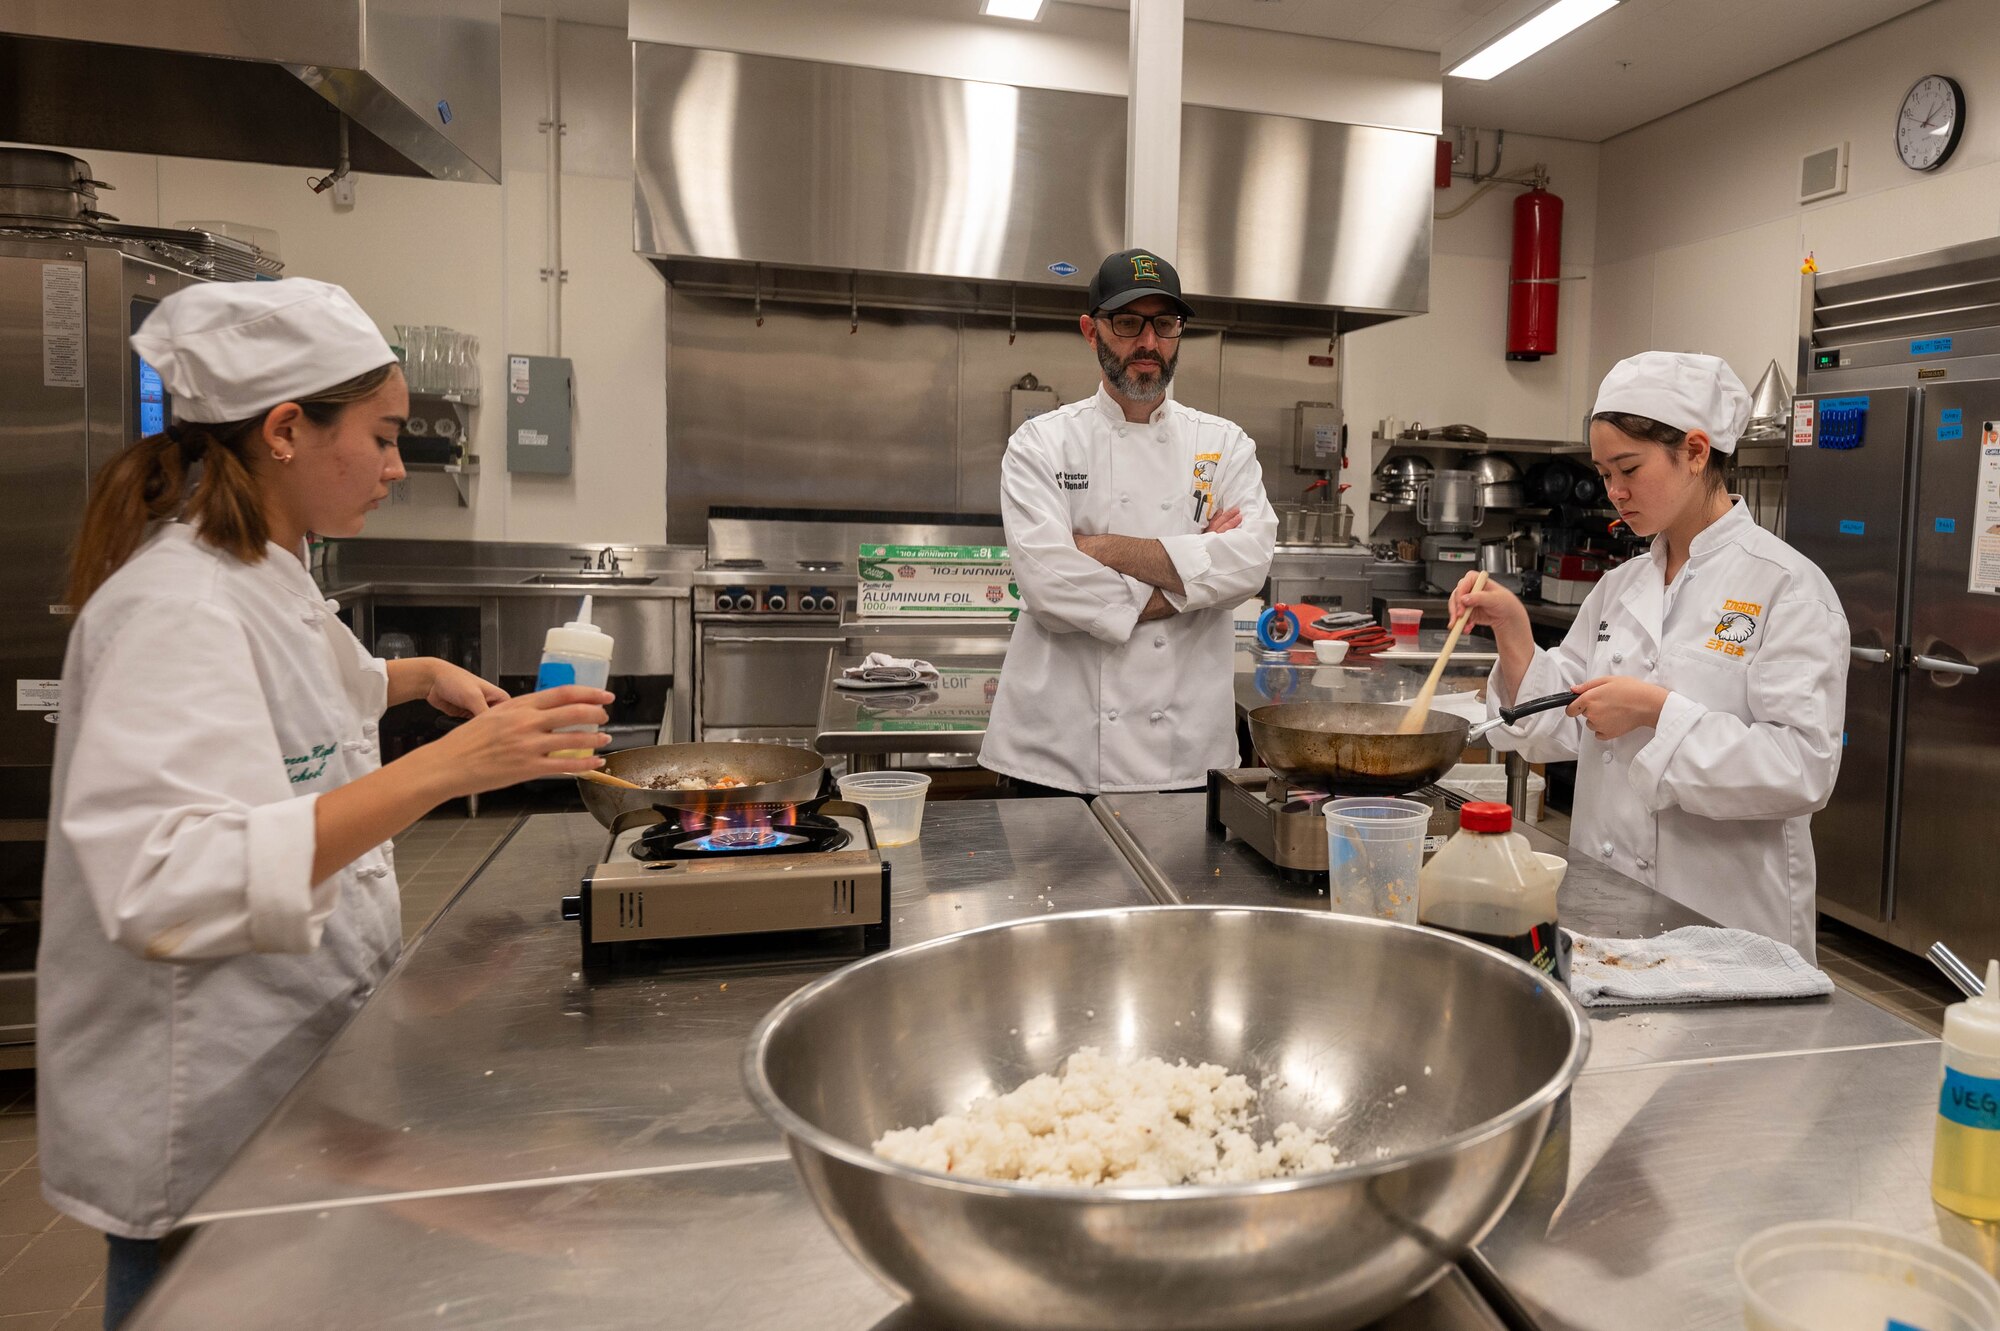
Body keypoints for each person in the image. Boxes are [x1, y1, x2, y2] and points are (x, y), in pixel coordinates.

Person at [34, 279, 616, 1328]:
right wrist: (448, 766)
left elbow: (311, 692)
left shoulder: (266, 570)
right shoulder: (172, 607)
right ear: (287, 430)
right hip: (200, 1094)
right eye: (385, 437)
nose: (398, 466)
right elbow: (168, 879)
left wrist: (420, 672)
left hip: (290, 1080)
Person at [1451, 351, 1848, 959]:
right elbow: (1556, 727)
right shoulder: (1622, 586)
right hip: (1607, 908)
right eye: (1604, 473)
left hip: (1726, 926)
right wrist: (1512, 629)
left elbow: (1802, 769)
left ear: (1694, 451)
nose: (1615, 492)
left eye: (1629, 468)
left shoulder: (1787, 587)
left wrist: (1659, 713)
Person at [981, 248, 1278, 797]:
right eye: (1127, 323)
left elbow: (1250, 566)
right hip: (1057, 754)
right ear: (1091, 331)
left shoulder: (1225, 444)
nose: (1148, 342)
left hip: (1186, 755)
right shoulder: (1041, 444)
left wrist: (1095, 547)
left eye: (1165, 324)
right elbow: (1049, 586)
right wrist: (1194, 577)